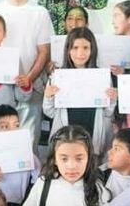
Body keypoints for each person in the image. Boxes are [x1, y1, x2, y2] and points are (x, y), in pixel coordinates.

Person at [0, 0, 54, 145]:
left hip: (31, 87)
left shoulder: (40, 13)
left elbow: (44, 52)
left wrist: (29, 78)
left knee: (27, 143)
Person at [43, 28, 117, 158]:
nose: (80, 53)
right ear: (68, 50)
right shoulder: (57, 76)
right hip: (66, 136)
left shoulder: (102, 76)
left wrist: (112, 99)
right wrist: (48, 97)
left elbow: (108, 113)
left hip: (92, 133)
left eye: (85, 48)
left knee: (90, 167)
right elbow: (49, 112)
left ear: (92, 50)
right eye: (75, 47)